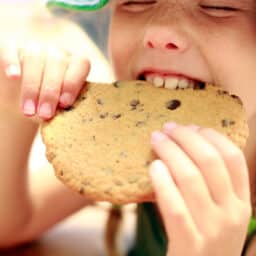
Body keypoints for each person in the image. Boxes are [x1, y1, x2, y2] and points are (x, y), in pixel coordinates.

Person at [0, 0, 255, 255]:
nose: (160, 33)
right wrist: (16, 107)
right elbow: (11, 225)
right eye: (137, 2)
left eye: (219, 6)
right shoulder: (121, 152)